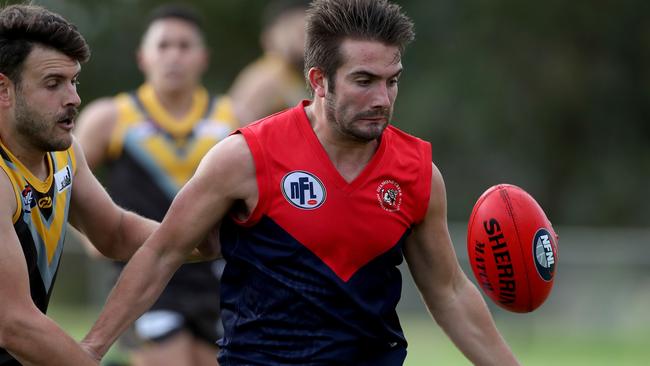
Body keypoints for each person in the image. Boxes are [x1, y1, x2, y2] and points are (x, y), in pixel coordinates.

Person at [81, 0, 521, 365]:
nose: (382, 99)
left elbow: (448, 291)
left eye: (393, 81)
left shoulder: (418, 172)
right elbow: (160, 254)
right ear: (319, 81)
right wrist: (89, 350)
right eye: (363, 81)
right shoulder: (244, 157)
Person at [75, 4, 237, 366]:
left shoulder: (233, 117)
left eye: (184, 45)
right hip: (145, 274)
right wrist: (92, 238)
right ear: (142, 57)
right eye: (163, 45)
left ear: (203, 57)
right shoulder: (110, 117)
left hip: (215, 276)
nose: (174, 56)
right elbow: (62, 182)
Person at [0, 4, 161, 366]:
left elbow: (115, 233)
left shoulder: (64, 152)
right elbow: (14, 324)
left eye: (74, 81)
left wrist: (208, 237)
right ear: (4, 90)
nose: (73, 98)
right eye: (53, 83)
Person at [228, 0, 308, 124]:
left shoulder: (291, 75)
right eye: (298, 32)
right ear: (268, 36)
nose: (302, 40)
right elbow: (233, 127)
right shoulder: (266, 77)